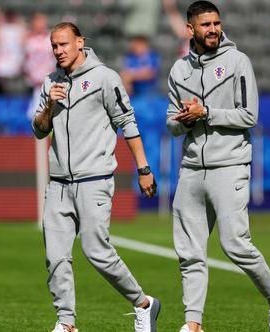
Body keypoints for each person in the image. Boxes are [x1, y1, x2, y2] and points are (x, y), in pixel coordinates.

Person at [166, 2, 270, 332]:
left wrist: (206, 113)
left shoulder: (238, 62)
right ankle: (193, 324)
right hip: (192, 168)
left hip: (230, 165)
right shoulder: (178, 70)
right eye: (205, 24)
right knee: (189, 252)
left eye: (216, 23)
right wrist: (183, 120)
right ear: (190, 29)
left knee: (236, 245)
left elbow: (249, 116)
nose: (213, 29)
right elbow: (170, 124)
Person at [32, 22, 161, 332]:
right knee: (55, 258)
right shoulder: (50, 82)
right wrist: (50, 103)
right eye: (54, 46)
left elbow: (128, 123)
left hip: (94, 179)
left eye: (63, 44)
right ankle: (66, 323)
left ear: (80, 42)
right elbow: (39, 130)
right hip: (59, 183)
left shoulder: (105, 78)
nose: (58, 51)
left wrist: (144, 169)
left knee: (96, 251)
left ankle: (143, 303)